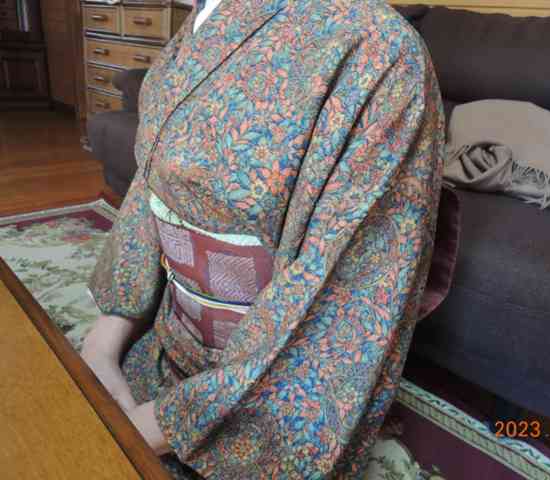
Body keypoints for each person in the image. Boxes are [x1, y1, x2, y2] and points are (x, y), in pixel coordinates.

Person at [81, 0, 446, 477]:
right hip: (164, 353)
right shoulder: (200, 24)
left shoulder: (378, 49)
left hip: (261, 389)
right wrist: (103, 343)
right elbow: (154, 187)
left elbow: (351, 291)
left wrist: (145, 429)